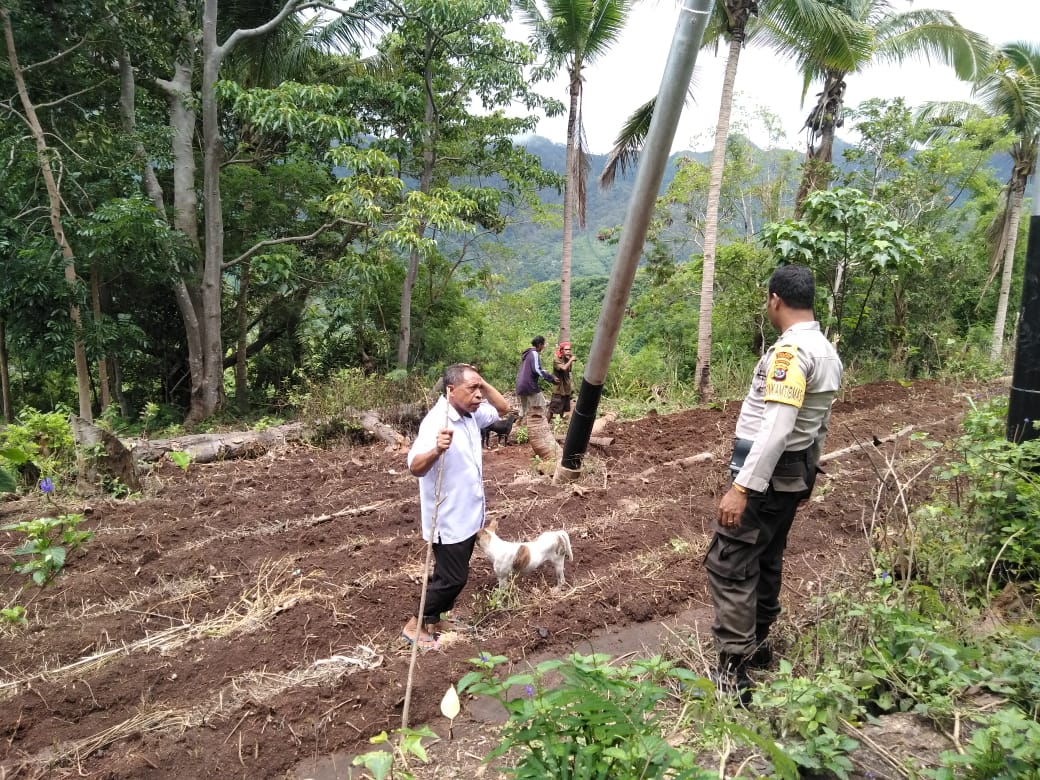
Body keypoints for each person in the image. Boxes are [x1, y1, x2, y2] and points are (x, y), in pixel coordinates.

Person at [704, 264, 843, 701]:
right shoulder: (827, 351)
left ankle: (735, 668)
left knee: (732, 563)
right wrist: (808, 477)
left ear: (775, 300)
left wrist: (741, 487)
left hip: (763, 477)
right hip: (792, 475)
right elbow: (818, 425)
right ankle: (760, 647)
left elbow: (777, 427)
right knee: (767, 558)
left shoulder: (789, 353)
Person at [402, 363, 509, 649]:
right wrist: (437, 449)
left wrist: (481, 383)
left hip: (470, 515)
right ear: (451, 390)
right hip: (448, 518)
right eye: (471, 389)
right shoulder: (437, 421)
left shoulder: (471, 415)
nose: (478, 395)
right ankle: (416, 623)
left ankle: (435, 620)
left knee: (448, 575)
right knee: (454, 579)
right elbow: (415, 467)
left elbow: (504, 408)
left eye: (479, 388)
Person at [514, 336, 558, 419]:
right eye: (543, 344)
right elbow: (536, 369)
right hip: (529, 385)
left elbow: (531, 369)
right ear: (539, 344)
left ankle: (520, 427)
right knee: (540, 406)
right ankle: (538, 427)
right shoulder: (534, 353)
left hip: (520, 384)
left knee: (524, 410)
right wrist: (551, 378)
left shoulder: (527, 354)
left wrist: (544, 372)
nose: (544, 346)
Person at [548, 341, 576, 422]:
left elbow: (569, 370)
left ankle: (558, 424)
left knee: (563, 409)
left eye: (569, 349)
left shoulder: (567, 359)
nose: (568, 351)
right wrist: (571, 360)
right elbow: (563, 368)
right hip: (559, 389)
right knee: (552, 409)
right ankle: (546, 425)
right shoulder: (556, 359)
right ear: (561, 350)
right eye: (566, 349)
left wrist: (569, 360)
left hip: (566, 389)